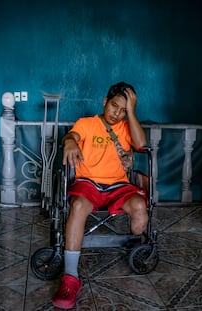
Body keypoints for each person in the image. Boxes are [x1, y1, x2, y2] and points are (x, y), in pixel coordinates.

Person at [52, 82, 148, 309]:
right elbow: (73, 135)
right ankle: (70, 278)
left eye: (124, 110)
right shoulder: (87, 124)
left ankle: (136, 243)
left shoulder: (127, 126)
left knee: (140, 211)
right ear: (105, 102)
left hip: (118, 186)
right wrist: (69, 142)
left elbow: (142, 144)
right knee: (76, 207)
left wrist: (131, 112)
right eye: (115, 106)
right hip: (89, 184)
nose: (118, 113)